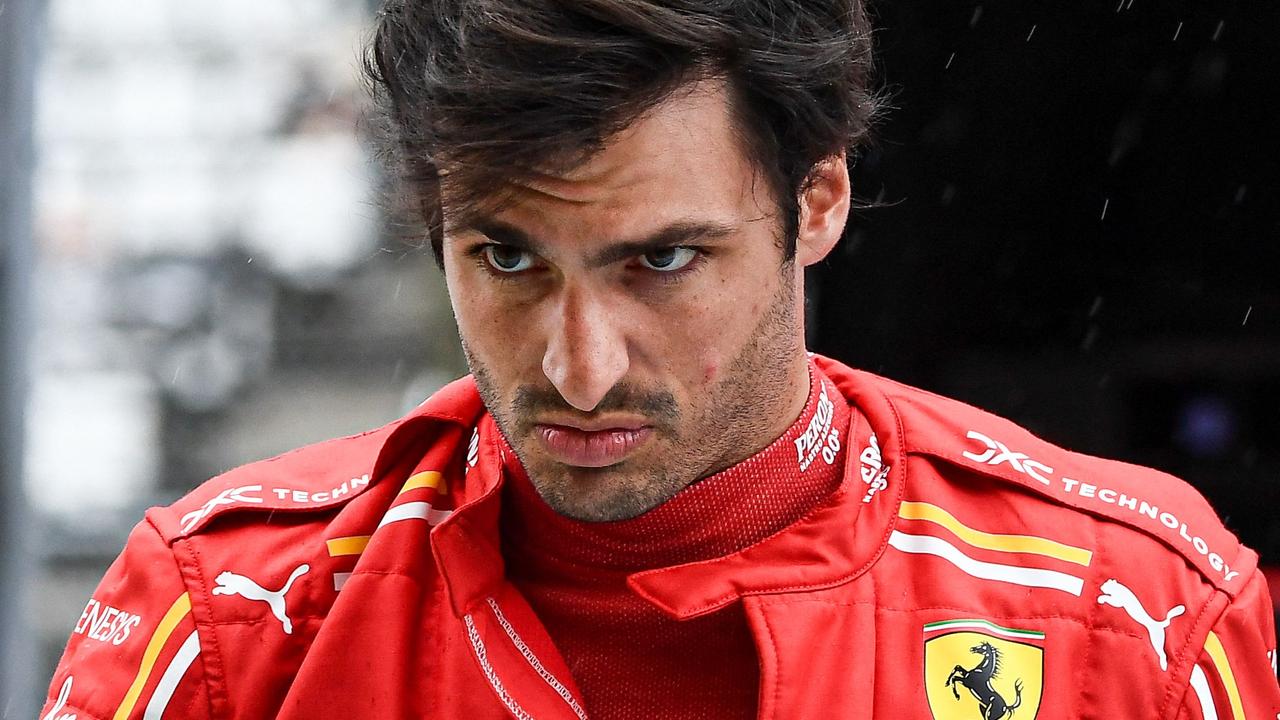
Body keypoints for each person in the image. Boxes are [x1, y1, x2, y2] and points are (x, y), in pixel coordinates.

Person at [43, 1, 1279, 718]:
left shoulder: (1126, 616)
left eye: (660, 262)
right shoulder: (229, 618)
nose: (577, 368)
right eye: (508, 260)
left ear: (819, 202)